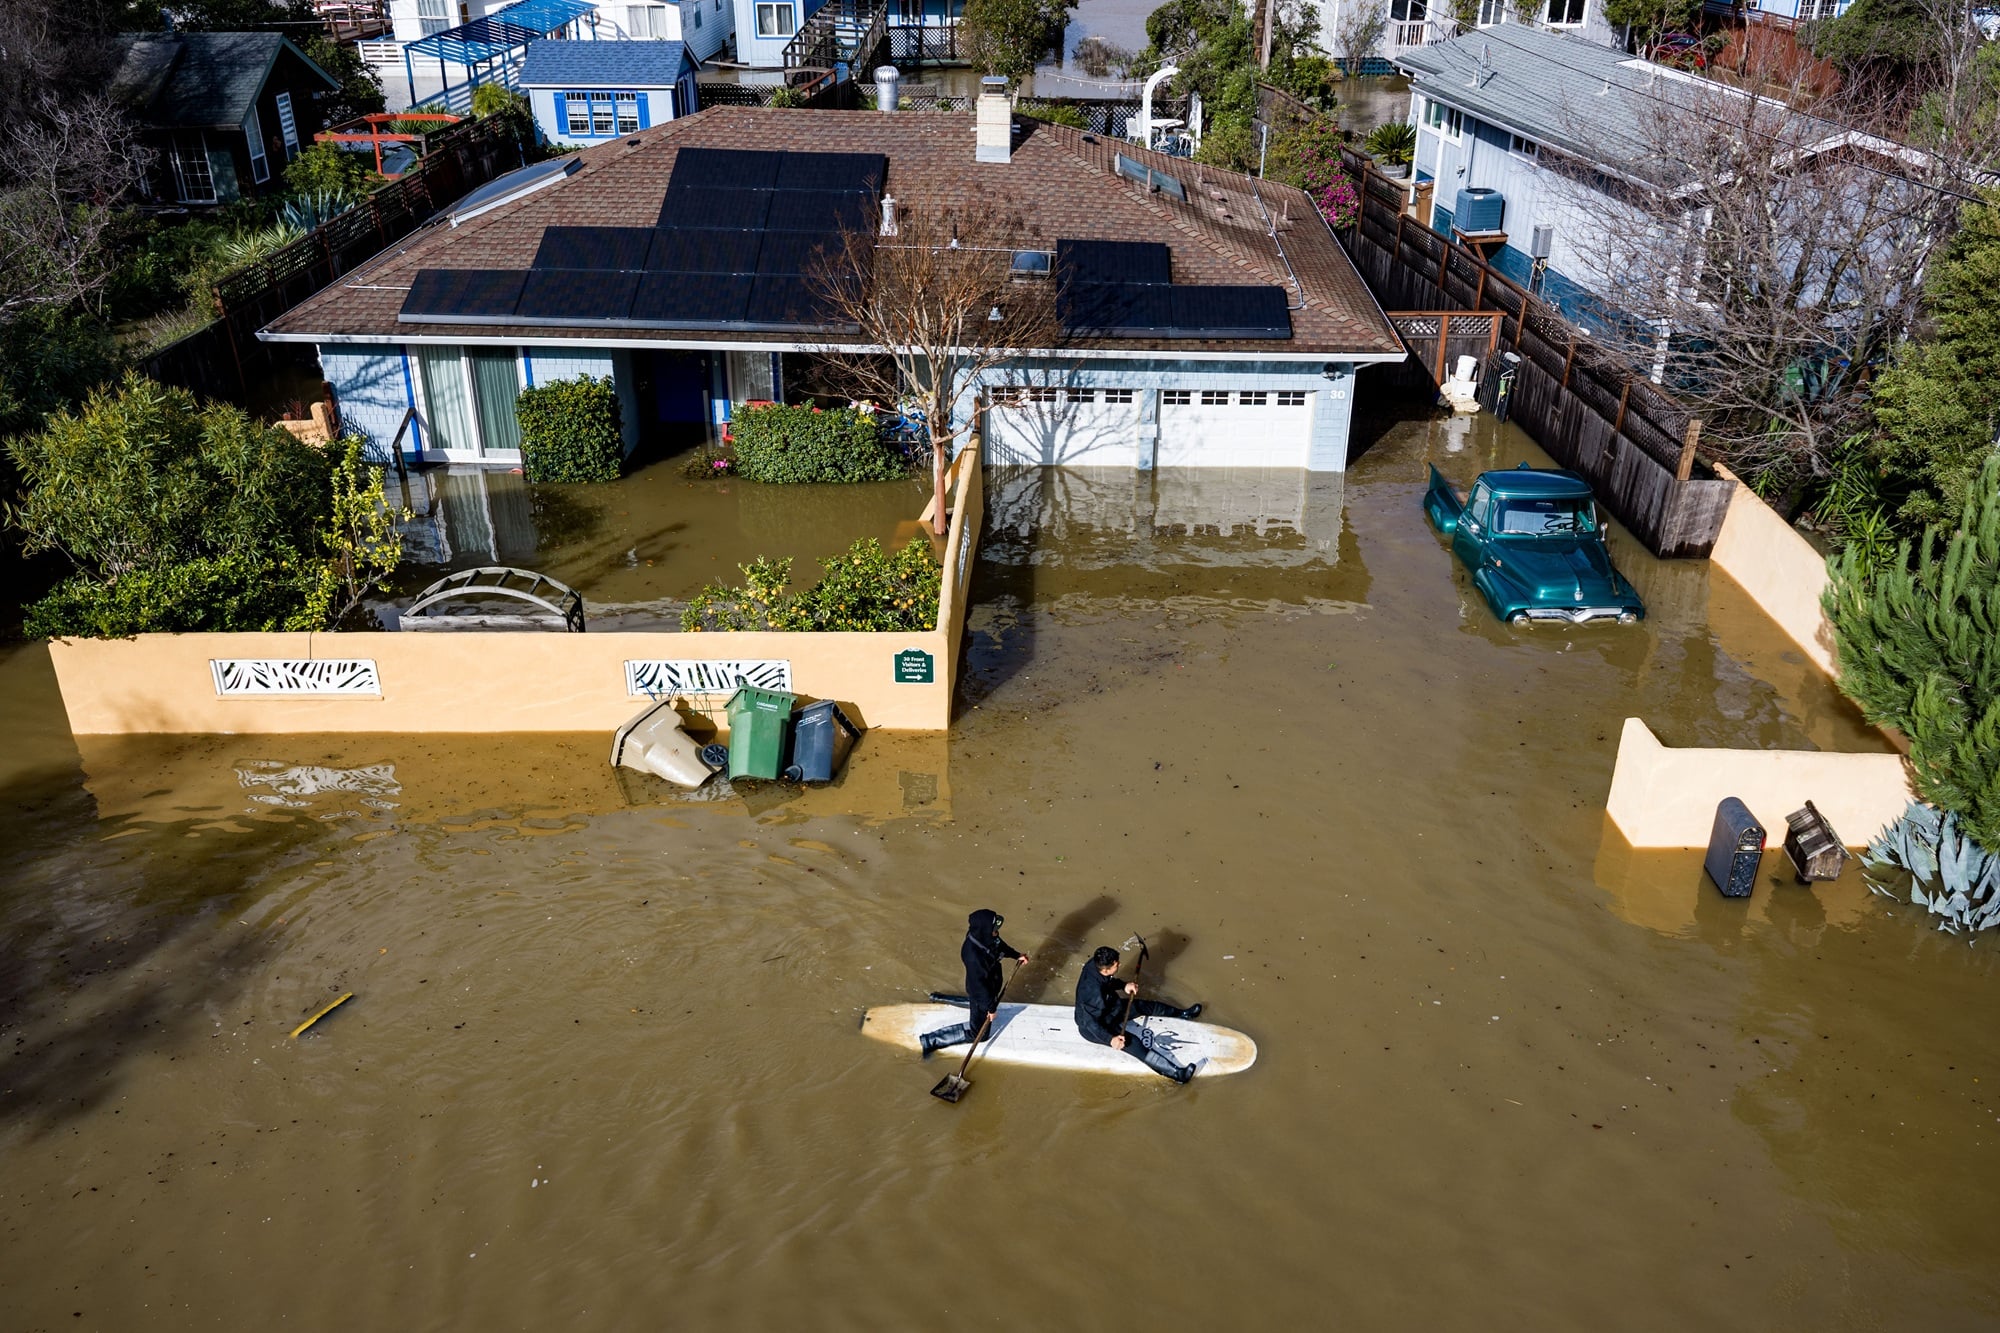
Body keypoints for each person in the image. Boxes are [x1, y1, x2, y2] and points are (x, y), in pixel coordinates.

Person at [1073, 945, 1202, 1084]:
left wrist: (1124, 986)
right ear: (1105, 969)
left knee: (1142, 1006)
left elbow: (1107, 982)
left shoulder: (1095, 963)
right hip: (1096, 1026)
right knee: (1134, 1043)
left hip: (1110, 1008)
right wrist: (1110, 1039)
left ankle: (1183, 1014)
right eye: (1117, 965)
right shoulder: (1091, 993)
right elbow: (1090, 1023)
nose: (1120, 965)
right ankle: (1178, 1074)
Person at [920, 909, 1030, 1057]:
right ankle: (930, 1040)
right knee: (979, 1033)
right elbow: (978, 988)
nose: (997, 932)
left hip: (990, 984)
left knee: (979, 1003)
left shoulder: (988, 937)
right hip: (980, 991)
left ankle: (938, 998)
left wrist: (1017, 955)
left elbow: (1000, 945)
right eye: (994, 929)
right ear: (985, 930)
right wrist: (990, 1008)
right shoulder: (973, 957)